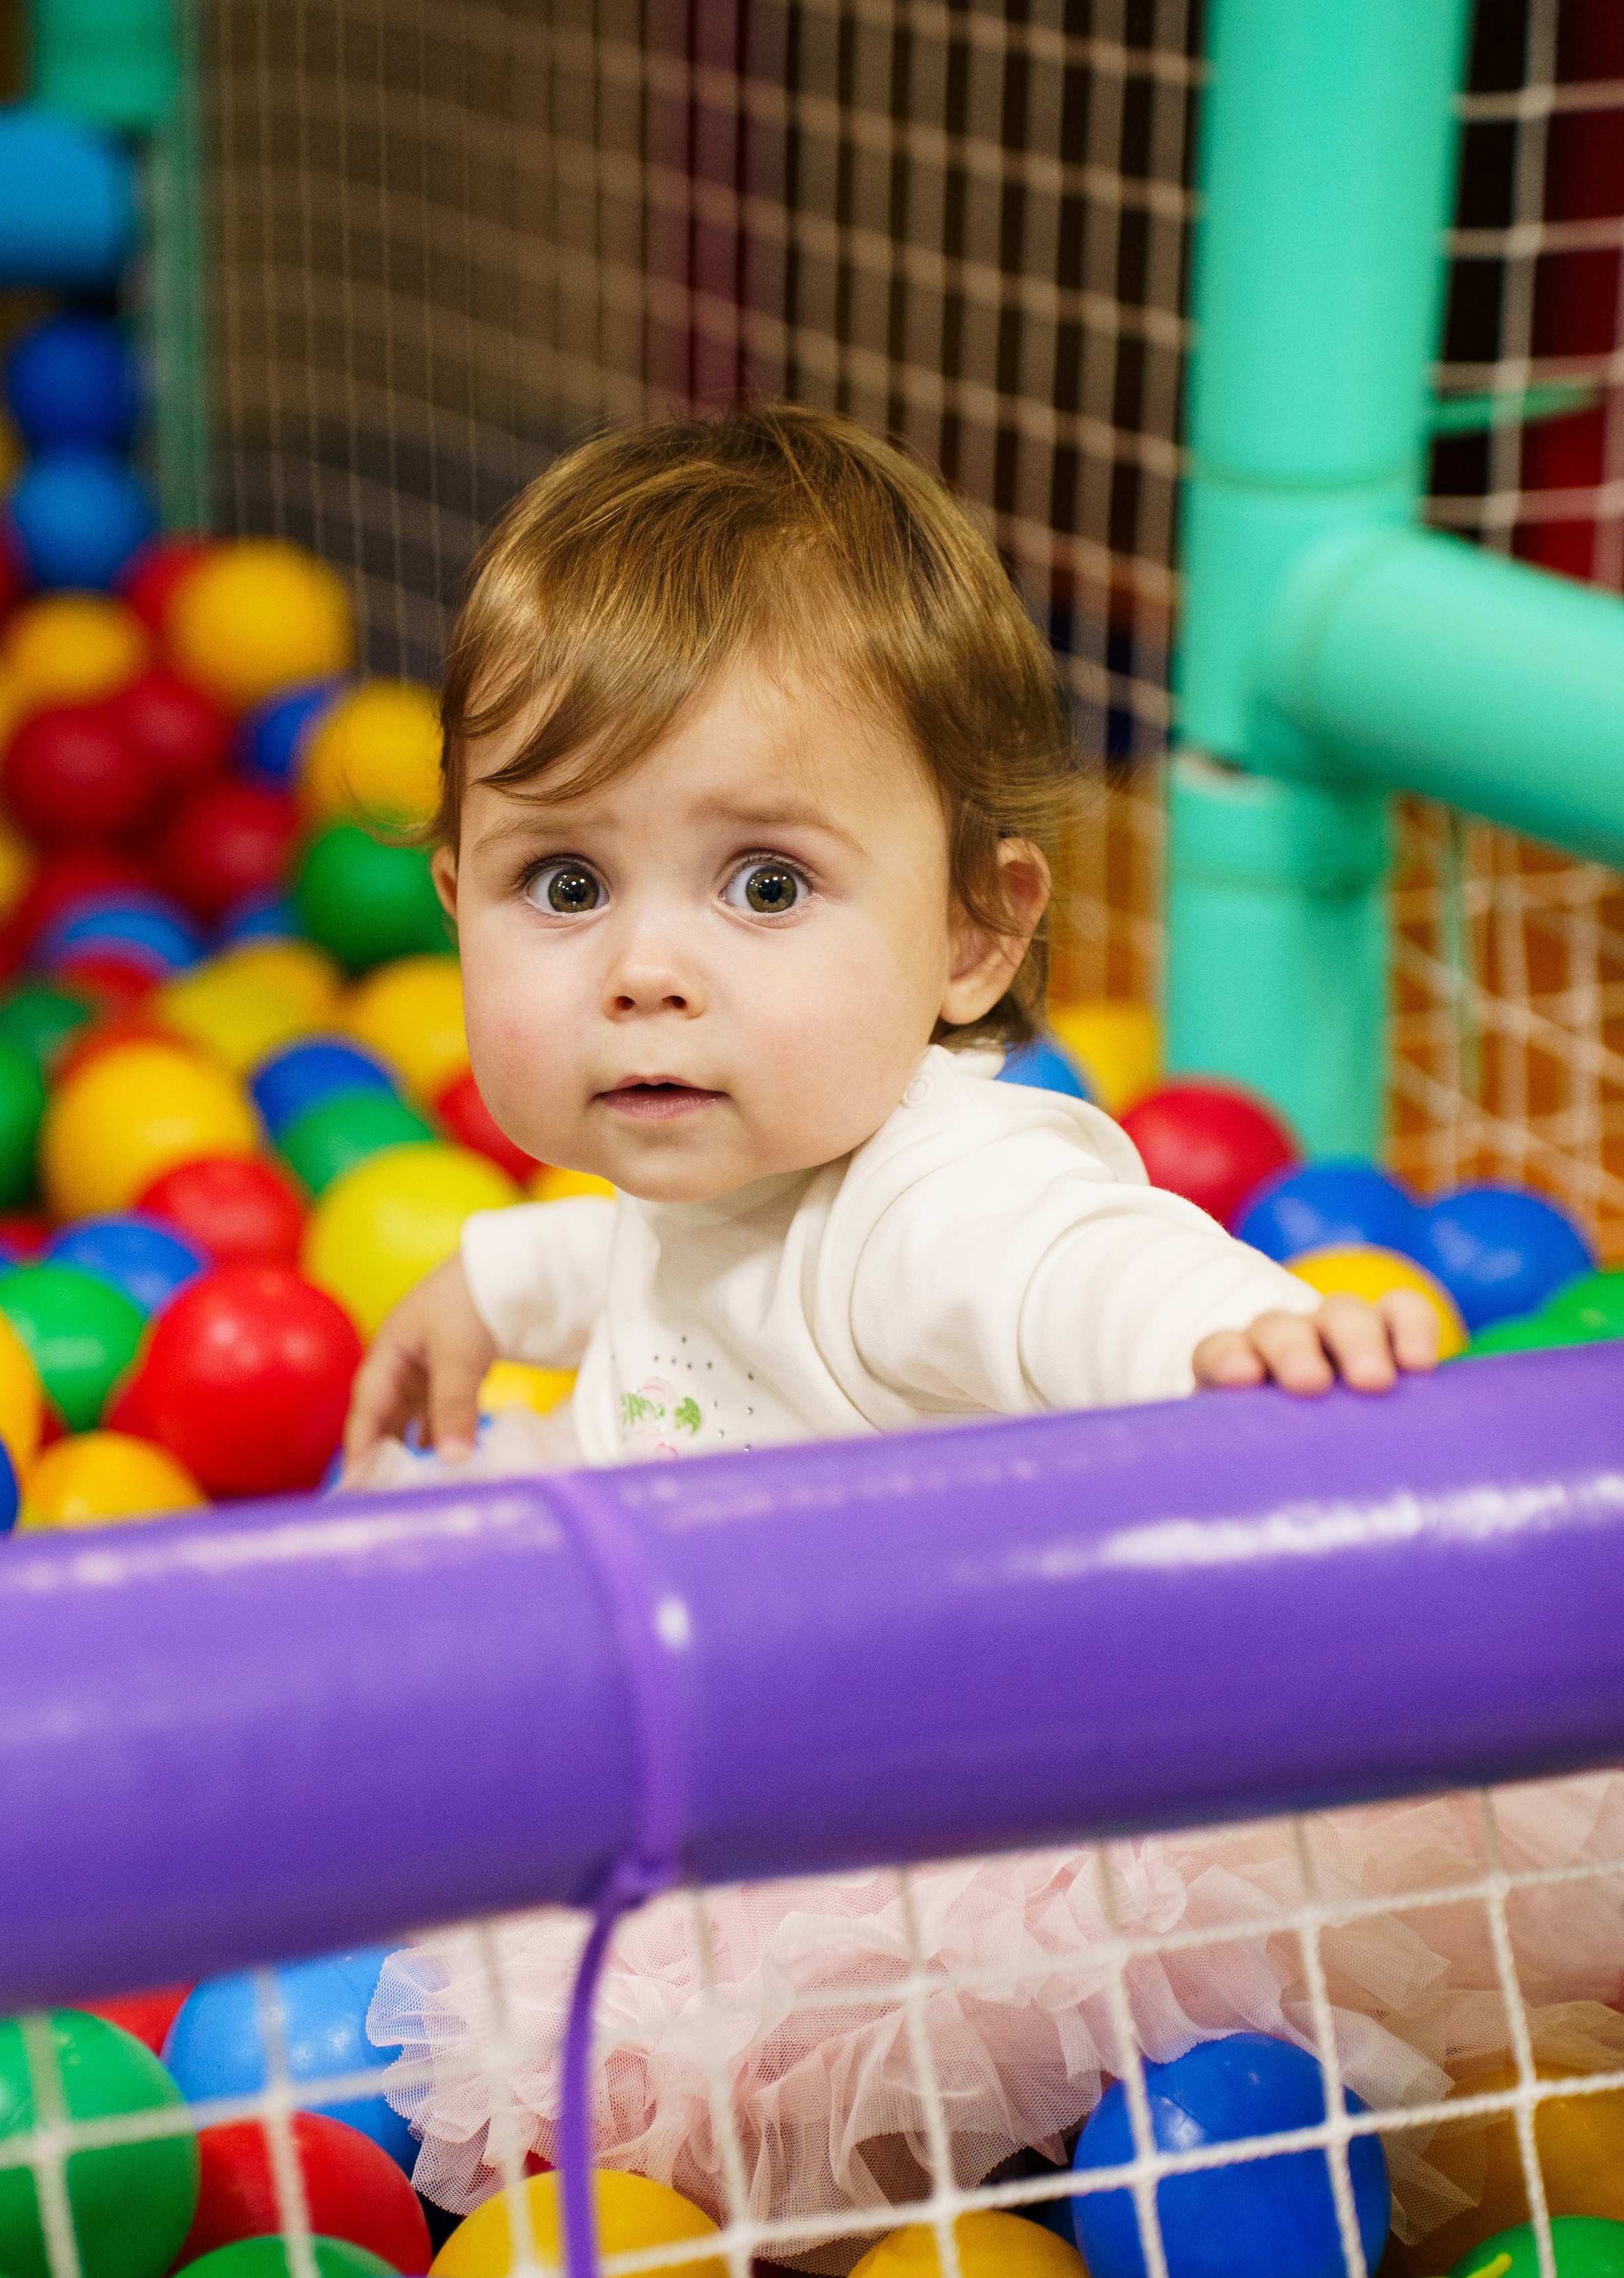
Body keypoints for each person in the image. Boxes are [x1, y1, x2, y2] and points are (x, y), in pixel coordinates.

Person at [343, 405, 1437, 1479]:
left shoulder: (931, 1198)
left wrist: (1234, 1337)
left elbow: (1077, 1274)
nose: (645, 974)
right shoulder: (735, 1137)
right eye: (566, 882)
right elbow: (673, 1253)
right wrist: (491, 1285)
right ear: (455, 905)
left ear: (973, 932)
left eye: (768, 885)